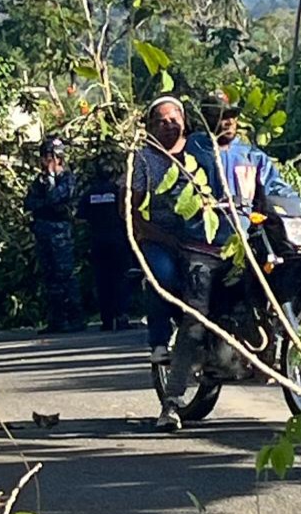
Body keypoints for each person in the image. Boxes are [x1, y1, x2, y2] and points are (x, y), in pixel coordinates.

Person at [155, 91, 301, 431]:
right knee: (195, 321)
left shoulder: (252, 155)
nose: (228, 121)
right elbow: (174, 190)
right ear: (205, 118)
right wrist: (199, 205)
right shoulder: (189, 152)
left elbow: (279, 188)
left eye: (232, 115)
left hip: (247, 245)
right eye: (220, 115)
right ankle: (172, 402)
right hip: (204, 248)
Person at [129, 97, 193, 366]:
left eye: (173, 120)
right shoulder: (143, 159)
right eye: (161, 122)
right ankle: (159, 341)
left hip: (198, 233)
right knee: (162, 277)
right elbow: (130, 208)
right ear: (151, 127)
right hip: (158, 234)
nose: (168, 126)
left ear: (184, 122)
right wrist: (154, 234)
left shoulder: (198, 151)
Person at [24, 137, 85, 334]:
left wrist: (50, 181)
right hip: (43, 233)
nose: (44, 161)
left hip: (60, 234)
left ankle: (75, 318)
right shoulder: (39, 181)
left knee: (65, 275)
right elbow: (29, 203)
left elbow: (56, 197)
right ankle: (56, 320)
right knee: (49, 277)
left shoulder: (67, 178)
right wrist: (45, 199)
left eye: (48, 156)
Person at [77, 155, 133, 331]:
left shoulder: (89, 194)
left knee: (103, 280)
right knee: (121, 278)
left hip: (98, 241)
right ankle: (121, 316)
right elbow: (128, 214)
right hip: (117, 240)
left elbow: (79, 218)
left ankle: (107, 319)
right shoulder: (118, 192)